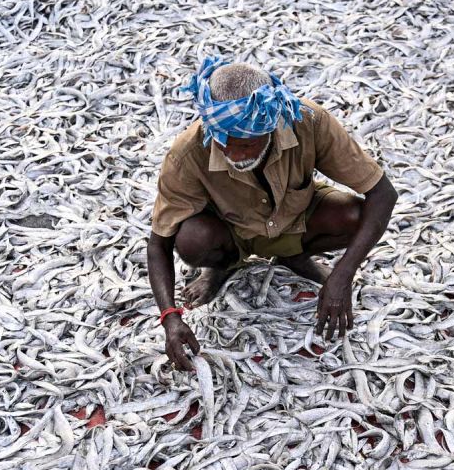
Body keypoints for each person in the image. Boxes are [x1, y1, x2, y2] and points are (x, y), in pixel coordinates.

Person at [145, 55, 398, 371]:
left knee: (353, 217)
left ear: (271, 125)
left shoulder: (308, 121)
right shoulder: (188, 153)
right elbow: (158, 244)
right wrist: (170, 318)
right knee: (191, 239)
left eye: (247, 144)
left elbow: (383, 193)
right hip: (230, 232)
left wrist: (343, 274)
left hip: (294, 219)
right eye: (225, 143)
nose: (235, 155)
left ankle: (294, 256)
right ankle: (221, 268)